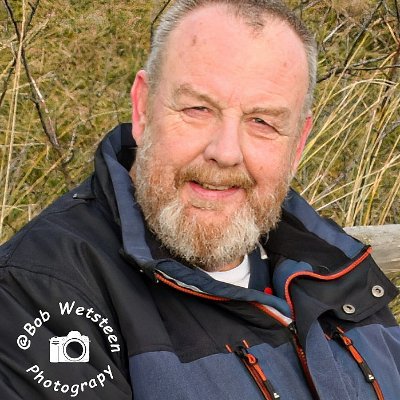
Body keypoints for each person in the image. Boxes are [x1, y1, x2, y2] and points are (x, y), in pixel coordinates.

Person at [0, 0, 399, 399]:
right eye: (197, 108)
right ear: (142, 108)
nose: (225, 152)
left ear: (298, 143)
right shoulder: (38, 293)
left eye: (262, 122)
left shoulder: (336, 267)